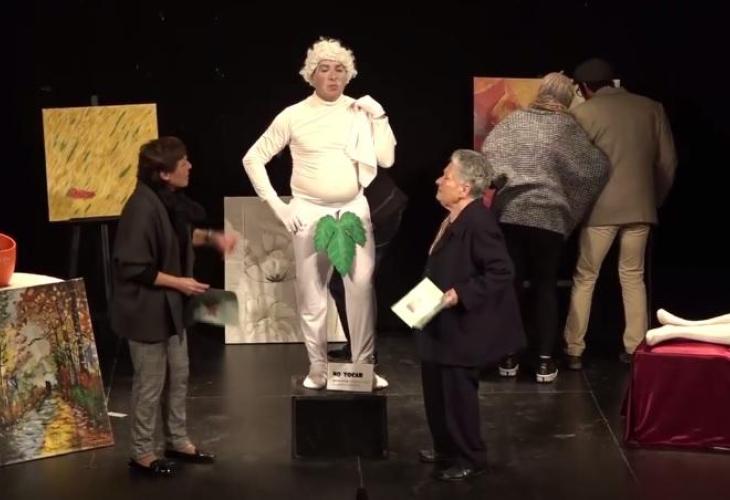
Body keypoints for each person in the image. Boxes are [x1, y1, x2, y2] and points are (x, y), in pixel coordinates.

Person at [242, 37, 396, 390]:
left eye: (340, 69)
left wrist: (380, 116)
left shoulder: (359, 111)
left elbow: (386, 159)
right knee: (312, 294)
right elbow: (253, 159)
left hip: (353, 208)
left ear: (349, 75)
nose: (333, 75)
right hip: (309, 211)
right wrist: (278, 206)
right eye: (325, 69)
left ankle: (363, 366)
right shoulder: (293, 115)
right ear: (311, 74)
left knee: (361, 289)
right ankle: (318, 368)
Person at [111, 137, 236, 476]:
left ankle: (177, 440)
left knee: (178, 375)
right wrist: (180, 283)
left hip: (171, 309)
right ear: (164, 173)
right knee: (150, 383)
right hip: (146, 310)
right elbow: (133, 266)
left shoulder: (167, 201)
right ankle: (141, 452)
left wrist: (211, 238)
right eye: (183, 163)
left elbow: (177, 236)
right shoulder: (141, 208)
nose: (190, 166)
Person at [481, 73, 609, 383]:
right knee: (545, 287)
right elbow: (596, 168)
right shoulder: (568, 128)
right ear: (566, 97)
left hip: (511, 214)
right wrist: (570, 207)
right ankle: (544, 361)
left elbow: (488, 156)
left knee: (511, 287)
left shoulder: (514, 122)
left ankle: (508, 357)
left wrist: (503, 181)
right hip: (550, 218)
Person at [563, 58, 678, 369]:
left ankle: (574, 348)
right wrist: (653, 199)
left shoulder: (583, 113)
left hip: (598, 210)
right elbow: (667, 163)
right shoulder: (651, 108)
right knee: (632, 276)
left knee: (586, 277)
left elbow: (573, 167)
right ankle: (636, 347)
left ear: (584, 87)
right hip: (641, 207)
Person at [418, 149, 525, 481]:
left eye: (447, 176)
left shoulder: (479, 221)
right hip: (439, 321)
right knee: (435, 388)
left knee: (457, 394)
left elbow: (501, 271)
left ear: (464, 188)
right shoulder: (455, 216)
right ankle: (445, 448)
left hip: (463, 325)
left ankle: (470, 457)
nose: (439, 180)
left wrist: (461, 293)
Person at [327, 169, 408, 362]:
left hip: (378, 210)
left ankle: (363, 351)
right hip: (377, 208)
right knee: (350, 285)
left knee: (349, 284)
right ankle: (359, 347)